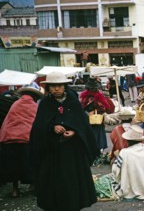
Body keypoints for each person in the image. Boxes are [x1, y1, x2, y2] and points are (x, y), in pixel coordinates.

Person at [29, 72, 99, 211]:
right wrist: (52, 127)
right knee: (54, 182)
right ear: (48, 87)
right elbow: (39, 126)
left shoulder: (73, 102)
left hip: (72, 152)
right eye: (53, 86)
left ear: (64, 86)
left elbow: (82, 124)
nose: (56, 89)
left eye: (59, 86)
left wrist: (75, 131)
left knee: (71, 182)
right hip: (52, 152)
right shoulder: (45, 103)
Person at [0, 84, 43, 197]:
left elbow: (7, 121)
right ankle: (34, 185)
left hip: (9, 139)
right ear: (34, 96)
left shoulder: (15, 104)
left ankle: (15, 190)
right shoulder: (34, 106)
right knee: (30, 163)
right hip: (26, 139)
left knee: (13, 165)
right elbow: (38, 123)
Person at [111, 125, 144, 200]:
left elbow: (116, 171)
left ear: (128, 140)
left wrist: (117, 157)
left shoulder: (125, 152)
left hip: (129, 187)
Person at [80, 78, 115, 151]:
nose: (93, 90)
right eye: (91, 88)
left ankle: (99, 151)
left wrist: (97, 110)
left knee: (98, 137)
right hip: (87, 120)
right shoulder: (83, 96)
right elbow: (80, 108)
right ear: (88, 88)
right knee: (89, 137)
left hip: (97, 120)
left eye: (94, 88)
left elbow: (106, 107)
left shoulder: (99, 96)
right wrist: (87, 113)